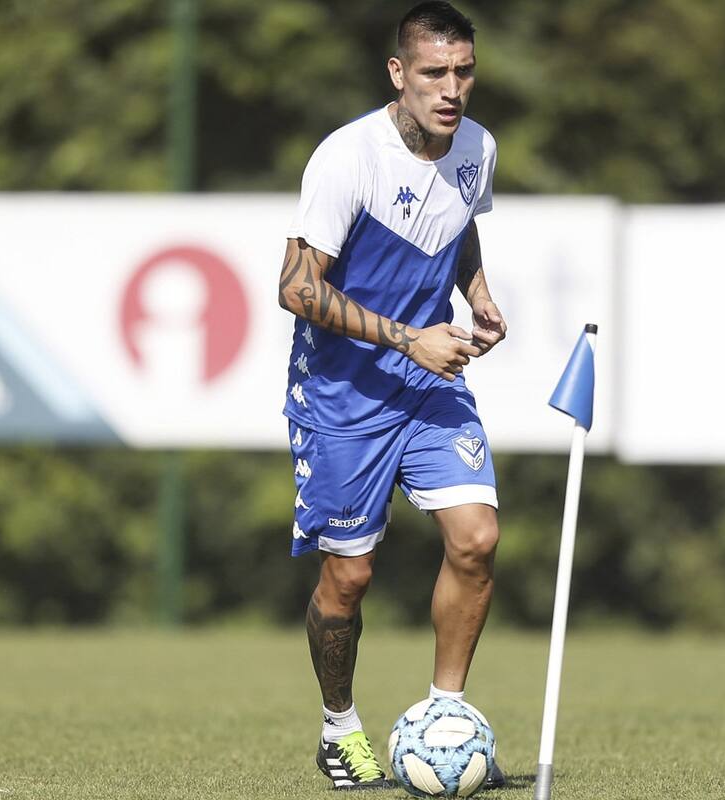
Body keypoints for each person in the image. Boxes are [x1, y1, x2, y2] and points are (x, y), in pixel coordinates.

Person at [276, 1, 507, 790]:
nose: (452, 89)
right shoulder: (347, 159)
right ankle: (339, 728)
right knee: (350, 577)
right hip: (342, 390)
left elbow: (462, 225)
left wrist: (477, 293)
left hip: (429, 376)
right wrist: (410, 336)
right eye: (435, 73)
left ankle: (447, 719)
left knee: (476, 539)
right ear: (398, 74)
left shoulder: (477, 147)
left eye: (464, 71)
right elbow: (296, 289)